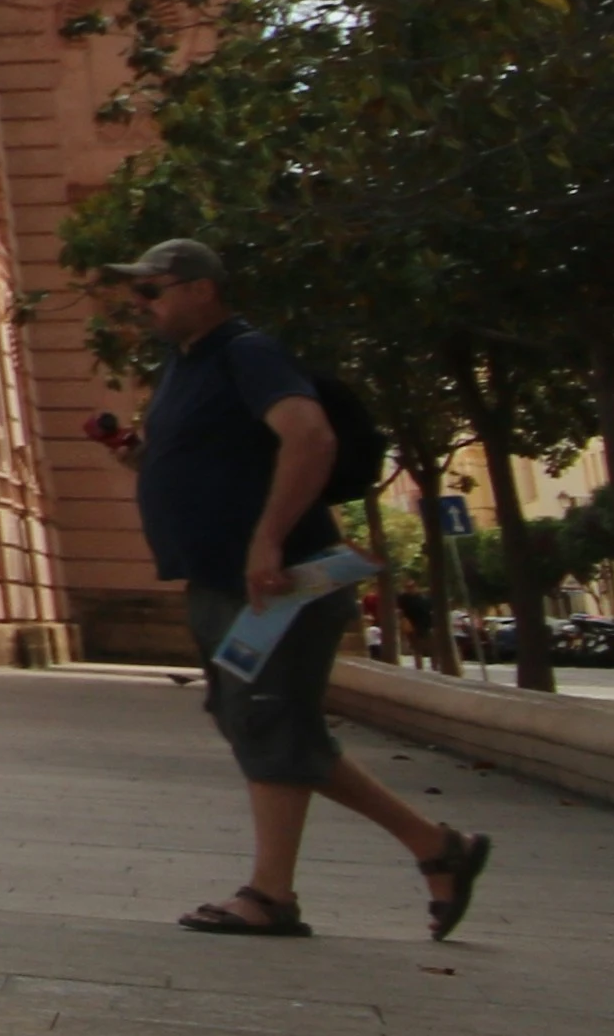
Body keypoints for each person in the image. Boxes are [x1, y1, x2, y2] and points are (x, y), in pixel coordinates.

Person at [132, 242, 490, 939]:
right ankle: (438, 847)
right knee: (262, 724)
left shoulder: (248, 352)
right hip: (219, 582)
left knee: (266, 721)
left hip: (278, 584)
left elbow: (310, 438)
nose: (140, 304)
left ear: (203, 289)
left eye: (153, 290)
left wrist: (268, 538)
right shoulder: (183, 366)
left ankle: (271, 897)